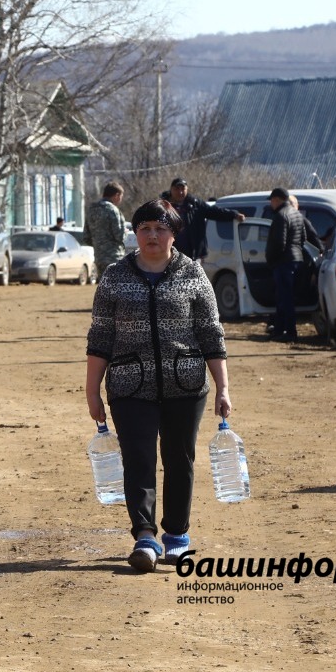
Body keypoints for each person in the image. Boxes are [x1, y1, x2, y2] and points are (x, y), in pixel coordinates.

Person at [85, 198, 231, 573]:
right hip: (130, 386)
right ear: (135, 233)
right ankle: (145, 537)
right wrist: (92, 390)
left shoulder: (193, 274)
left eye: (161, 228)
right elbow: (100, 336)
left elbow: (211, 333)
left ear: (174, 233)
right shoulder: (115, 276)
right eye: (145, 228)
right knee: (139, 459)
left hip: (186, 385)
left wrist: (223, 387)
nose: (152, 235)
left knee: (180, 460)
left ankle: (177, 536)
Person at [164, 177, 245, 261]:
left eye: (183, 189)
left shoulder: (195, 204)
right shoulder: (163, 206)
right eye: (177, 189)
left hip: (194, 255)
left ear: (187, 189)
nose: (180, 192)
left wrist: (234, 215)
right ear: (171, 189)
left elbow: (214, 212)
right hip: (170, 254)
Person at [266, 187, 305, 341]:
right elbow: (303, 238)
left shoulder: (281, 216)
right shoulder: (297, 214)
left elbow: (279, 244)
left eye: (271, 200)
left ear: (276, 200)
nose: (271, 204)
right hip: (296, 259)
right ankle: (279, 330)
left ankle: (289, 332)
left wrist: (271, 260)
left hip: (283, 262)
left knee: (284, 299)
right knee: (286, 298)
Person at [86, 181, 128, 276]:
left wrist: (99, 244)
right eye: (121, 196)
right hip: (114, 257)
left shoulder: (91, 210)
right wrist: (125, 232)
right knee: (116, 284)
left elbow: (86, 237)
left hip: (99, 258)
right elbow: (119, 236)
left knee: (103, 284)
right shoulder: (113, 210)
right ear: (117, 195)